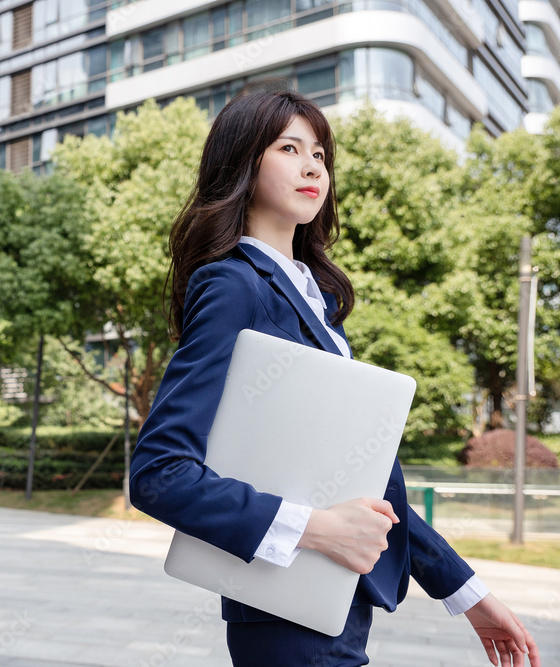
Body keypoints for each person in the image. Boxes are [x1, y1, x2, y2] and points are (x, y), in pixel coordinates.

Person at [128, 86, 540, 667]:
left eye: (320, 154)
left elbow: (367, 485)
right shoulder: (232, 286)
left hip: (331, 605)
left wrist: (465, 592)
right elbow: (159, 473)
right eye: (289, 148)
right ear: (243, 163)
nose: (311, 167)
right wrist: (314, 529)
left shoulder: (315, 301)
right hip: (283, 613)